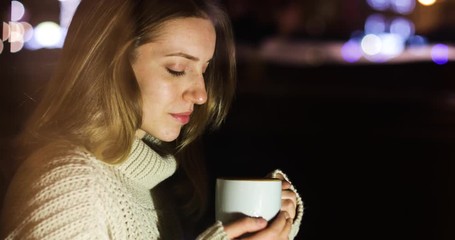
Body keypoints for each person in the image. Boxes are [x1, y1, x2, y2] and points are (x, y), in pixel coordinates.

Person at [0, 0, 304, 239]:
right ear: (110, 64)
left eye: (204, 70)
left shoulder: (151, 182)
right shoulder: (70, 185)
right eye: (176, 68)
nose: (201, 95)